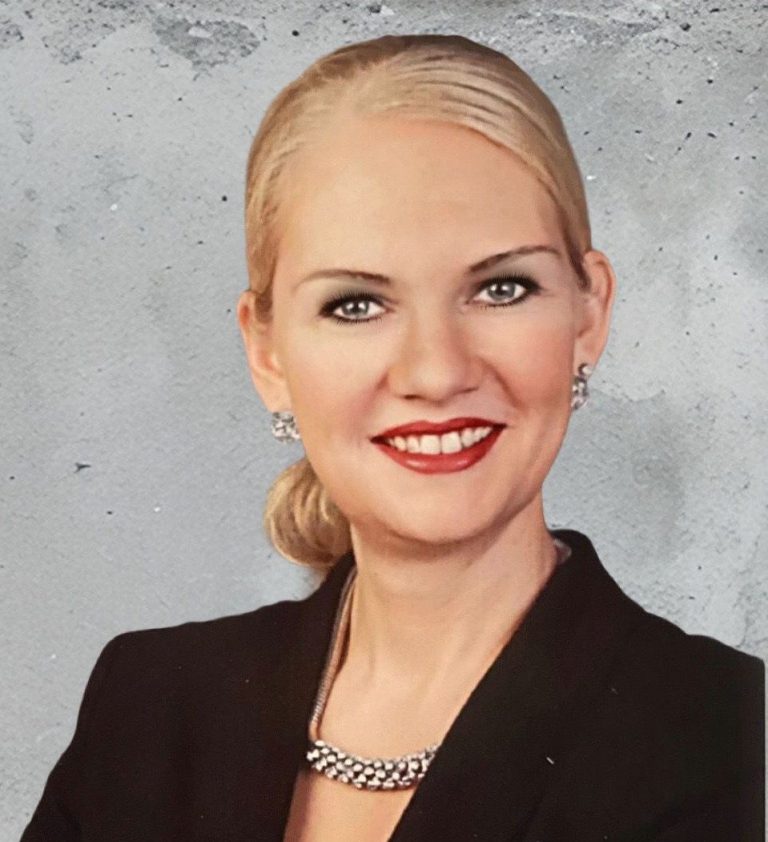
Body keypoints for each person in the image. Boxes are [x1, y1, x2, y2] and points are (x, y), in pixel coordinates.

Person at [21, 34, 763, 842]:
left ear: (589, 316)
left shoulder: (729, 740)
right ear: (267, 354)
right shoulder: (148, 705)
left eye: (501, 288)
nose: (436, 372)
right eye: (356, 305)